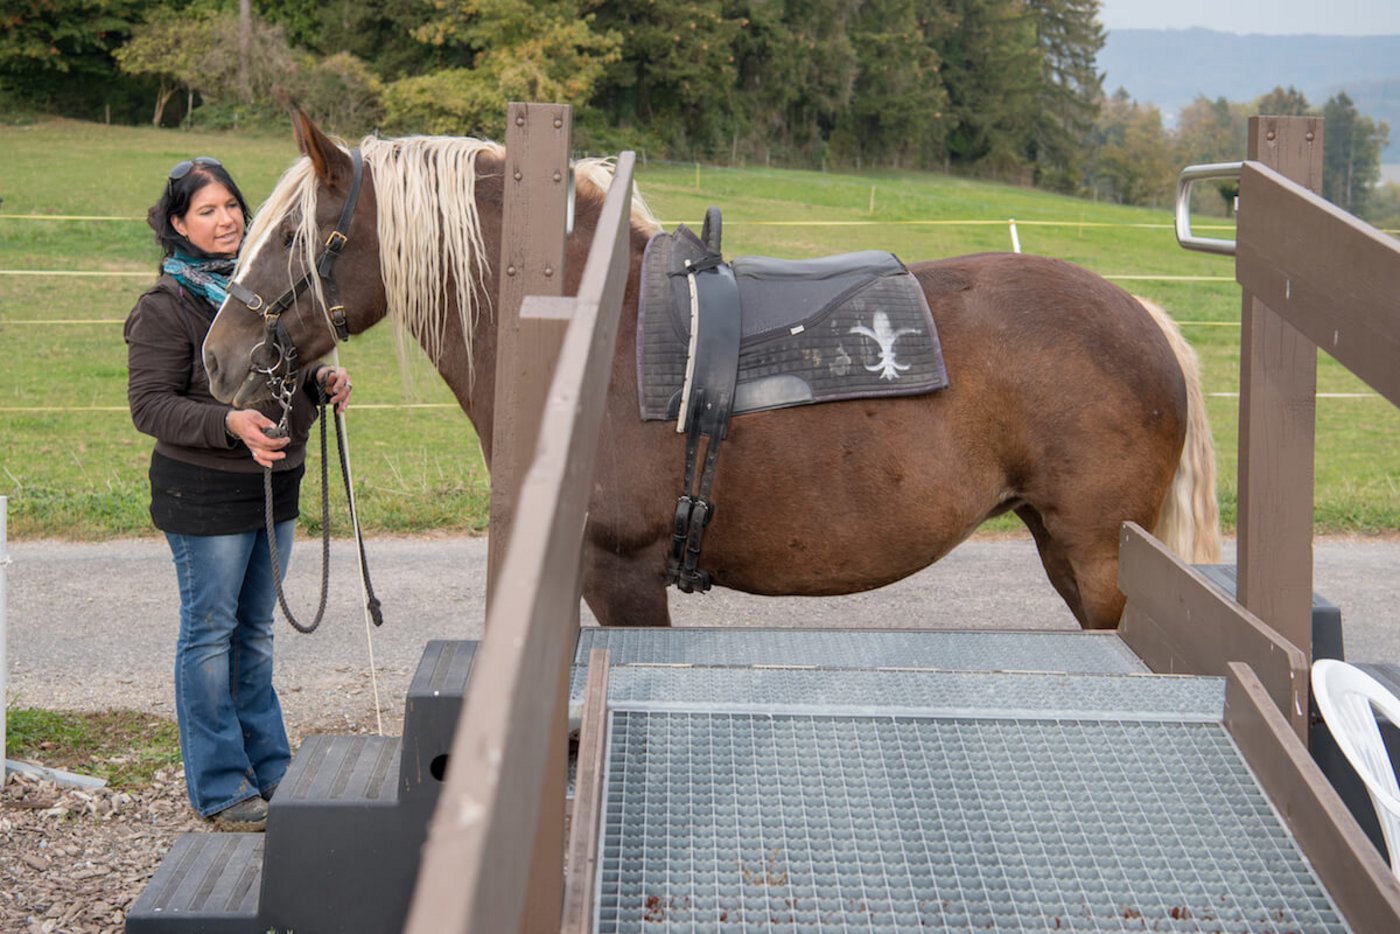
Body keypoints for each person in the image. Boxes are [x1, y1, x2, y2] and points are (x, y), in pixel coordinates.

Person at [124, 156, 352, 831]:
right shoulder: (166, 307)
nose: (226, 220)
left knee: (254, 637)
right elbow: (150, 407)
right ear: (177, 224)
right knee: (211, 635)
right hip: (204, 496)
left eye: (231, 206)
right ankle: (222, 788)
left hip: (274, 490)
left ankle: (272, 769)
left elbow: (284, 378)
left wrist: (320, 386)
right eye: (207, 210)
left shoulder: (266, 291)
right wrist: (227, 424)